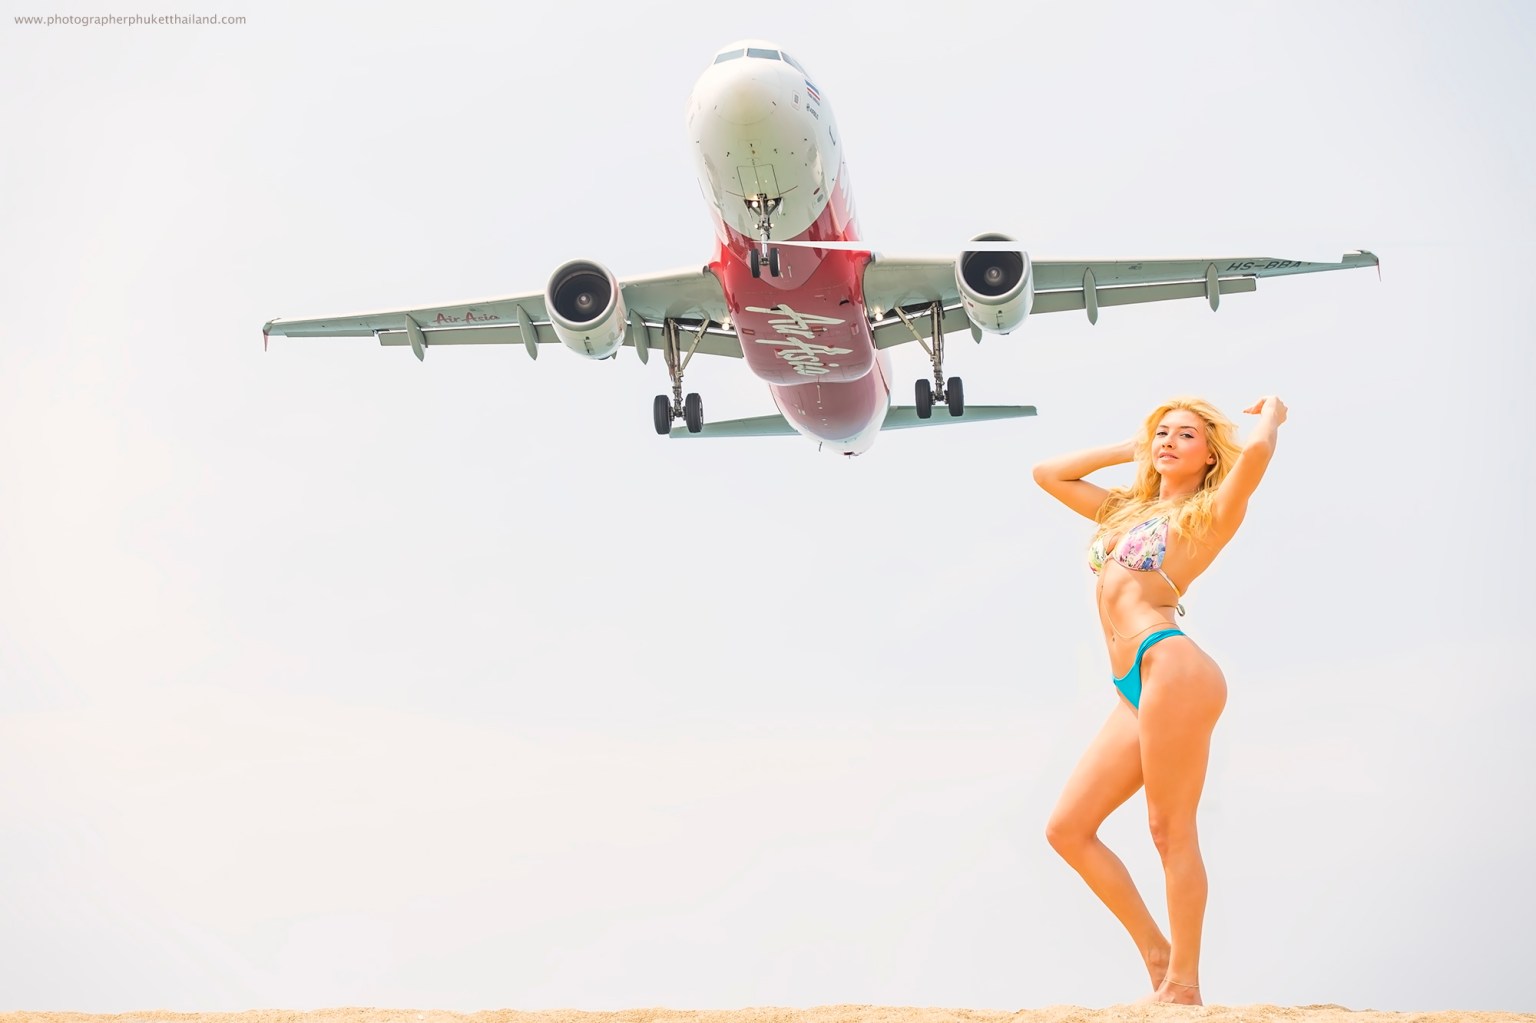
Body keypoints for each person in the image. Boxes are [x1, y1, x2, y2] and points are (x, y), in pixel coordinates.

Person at [1031, 395, 1288, 1005]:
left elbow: (1254, 452)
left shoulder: (1210, 513)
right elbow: (1048, 474)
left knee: (1169, 830)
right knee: (1068, 829)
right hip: (1133, 688)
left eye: (1187, 436)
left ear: (1207, 457)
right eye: (1163, 433)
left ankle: (1185, 986)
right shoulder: (1125, 512)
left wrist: (1272, 414)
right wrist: (1132, 447)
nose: (1170, 442)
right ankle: (1158, 956)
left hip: (1169, 662)